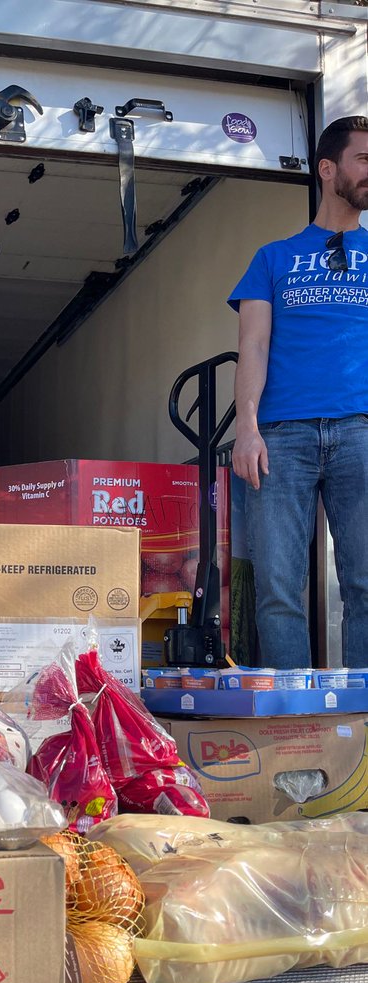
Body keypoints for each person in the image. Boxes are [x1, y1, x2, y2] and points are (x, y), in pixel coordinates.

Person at [229, 114, 368, 668]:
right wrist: (246, 428)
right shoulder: (273, 258)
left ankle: (362, 733)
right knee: (279, 590)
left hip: (361, 432)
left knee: (364, 584)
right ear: (327, 169)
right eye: (364, 160)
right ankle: (294, 724)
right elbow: (254, 347)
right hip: (280, 439)